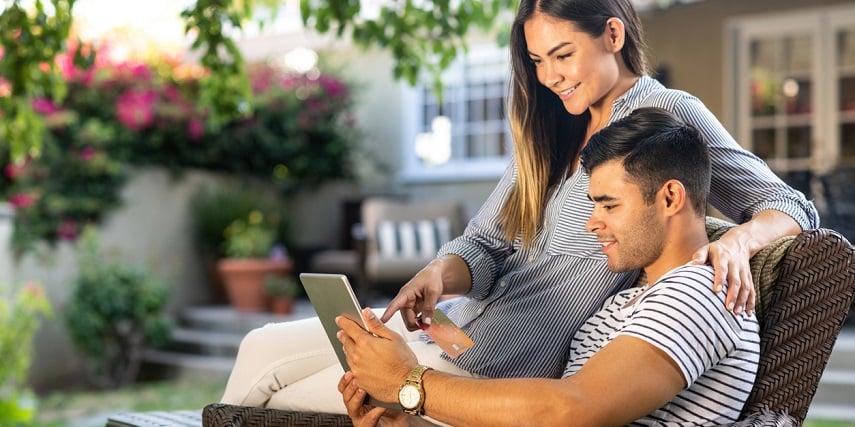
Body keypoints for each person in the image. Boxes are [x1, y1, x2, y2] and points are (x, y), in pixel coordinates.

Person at [219, 0, 817, 412]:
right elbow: (484, 242)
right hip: (453, 331)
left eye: (563, 54)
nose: (551, 76)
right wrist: (437, 274)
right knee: (258, 348)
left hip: (497, 369)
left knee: (276, 393)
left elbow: (790, 206)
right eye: (537, 61)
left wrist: (738, 239)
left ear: (612, 34)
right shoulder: (551, 131)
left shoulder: (664, 119)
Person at [337, 107, 761, 426]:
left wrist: (409, 383)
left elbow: (571, 408)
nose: (593, 222)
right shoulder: (628, 299)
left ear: (670, 198)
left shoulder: (703, 291)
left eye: (609, 205)